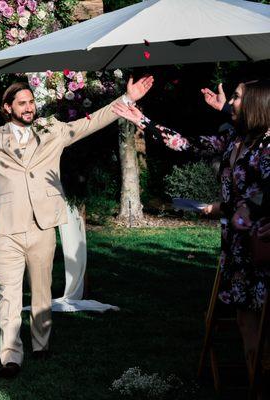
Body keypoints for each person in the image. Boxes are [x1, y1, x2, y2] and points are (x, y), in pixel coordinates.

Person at [0, 76, 154, 378]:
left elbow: (89, 123)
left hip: (43, 226)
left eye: (30, 101)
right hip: (8, 230)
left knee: (41, 291)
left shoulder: (52, 129)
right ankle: (10, 356)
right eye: (22, 103)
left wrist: (126, 101)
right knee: (8, 294)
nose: (29, 107)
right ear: (7, 107)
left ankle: (41, 343)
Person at [113, 80, 270, 382]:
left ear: (256, 105)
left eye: (236, 98)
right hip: (236, 247)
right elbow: (187, 144)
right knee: (245, 321)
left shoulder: (267, 145)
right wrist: (142, 121)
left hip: (262, 247)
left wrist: (250, 208)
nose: (230, 104)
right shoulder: (235, 141)